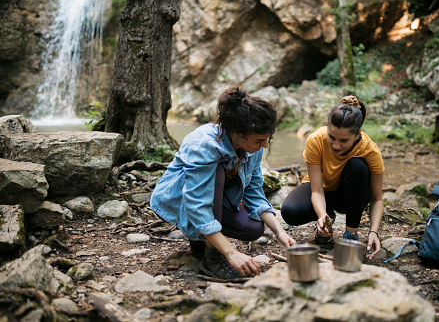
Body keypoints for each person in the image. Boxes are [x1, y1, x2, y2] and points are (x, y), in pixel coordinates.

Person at [150, 86, 296, 279]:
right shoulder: (204, 144)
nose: (264, 146)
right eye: (260, 140)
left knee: (253, 227)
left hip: (213, 202)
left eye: (266, 139)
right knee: (219, 171)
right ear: (238, 133)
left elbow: (254, 192)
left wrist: (279, 232)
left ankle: (203, 240)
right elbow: (196, 204)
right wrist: (230, 252)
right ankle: (211, 257)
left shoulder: (252, 147)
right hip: (180, 201)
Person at [281, 95, 383, 259]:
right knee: (289, 211)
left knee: (357, 166)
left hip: (349, 196)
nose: (336, 145)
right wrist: (322, 216)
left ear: (357, 136)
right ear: (327, 128)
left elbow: (377, 199)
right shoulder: (315, 140)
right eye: (331, 137)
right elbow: (316, 190)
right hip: (322, 190)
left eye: (344, 140)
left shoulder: (370, 150)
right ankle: (328, 219)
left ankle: (351, 234)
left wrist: (373, 232)